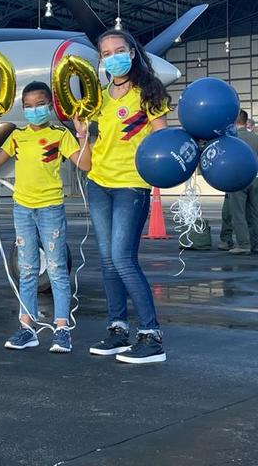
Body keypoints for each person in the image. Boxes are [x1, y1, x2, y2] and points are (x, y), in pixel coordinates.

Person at [0, 81, 91, 354]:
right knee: (28, 268)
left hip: (50, 208)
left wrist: (82, 136)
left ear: (50, 104)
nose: (34, 110)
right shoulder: (17, 136)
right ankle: (27, 327)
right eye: (28, 106)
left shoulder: (59, 134)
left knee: (55, 268)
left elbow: (85, 163)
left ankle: (62, 328)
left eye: (40, 105)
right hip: (22, 208)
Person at [84, 29, 170, 364]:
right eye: (106, 54)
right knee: (107, 261)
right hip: (99, 183)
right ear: (101, 61)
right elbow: (98, 143)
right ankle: (117, 329)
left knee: (122, 258)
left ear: (132, 53)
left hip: (132, 184)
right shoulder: (100, 97)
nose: (113, 57)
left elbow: (161, 138)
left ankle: (151, 335)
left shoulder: (149, 92)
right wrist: (80, 136)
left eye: (119, 50)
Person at [225, 110, 258, 255]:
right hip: (255, 178)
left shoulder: (231, 138)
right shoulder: (255, 137)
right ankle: (255, 244)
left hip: (237, 179)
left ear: (234, 122)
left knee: (238, 213)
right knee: (254, 213)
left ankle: (243, 244)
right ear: (246, 122)